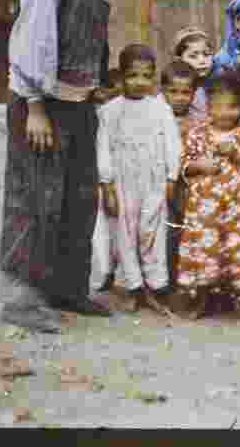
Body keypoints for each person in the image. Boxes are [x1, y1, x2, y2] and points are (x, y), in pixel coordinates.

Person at [0, 0, 127, 332]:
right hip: (41, 107)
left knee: (77, 200)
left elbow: (89, 41)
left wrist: (99, 86)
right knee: (34, 201)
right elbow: (32, 43)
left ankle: (67, 291)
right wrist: (33, 106)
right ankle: (19, 300)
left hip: (79, 106)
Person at [96, 44, 182, 313]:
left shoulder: (160, 109)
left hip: (154, 179)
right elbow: (103, 148)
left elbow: (172, 144)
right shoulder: (110, 111)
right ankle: (133, 285)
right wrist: (107, 185)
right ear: (121, 77)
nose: (140, 82)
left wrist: (171, 177)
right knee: (124, 231)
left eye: (146, 76)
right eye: (133, 76)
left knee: (152, 230)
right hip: (122, 181)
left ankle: (156, 285)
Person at [176, 73, 240, 322]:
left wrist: (236, 155)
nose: (225, 113)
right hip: (204, 207)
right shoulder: (197, 133)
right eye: (218, 106)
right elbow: (183, 165)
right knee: (205, 250)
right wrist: (200, 166)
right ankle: (202, 298)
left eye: (233, 106)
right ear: (208, 107)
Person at [161, 59, 199, 288]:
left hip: (186, 184)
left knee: (183, 229)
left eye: (186, 92)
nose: (180, 97)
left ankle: (182, 279)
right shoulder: (156, 116)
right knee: (163, 230)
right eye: (173, 91)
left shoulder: (197, 121)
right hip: (161, 182)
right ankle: (162, 279)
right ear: (163, 91)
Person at [88, 68, 123, 300]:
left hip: (130, 180)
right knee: (103, 229)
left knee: (123, 230)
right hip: (106, 180)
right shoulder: (99, 118)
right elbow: (102, 153)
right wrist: (106, 183)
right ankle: (106, 271)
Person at [171, 27, 215, 120]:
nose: (202, 61)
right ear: (179, 60)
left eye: (207, 54)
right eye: (193, 56)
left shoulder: (218, 85)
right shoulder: (173, 89)